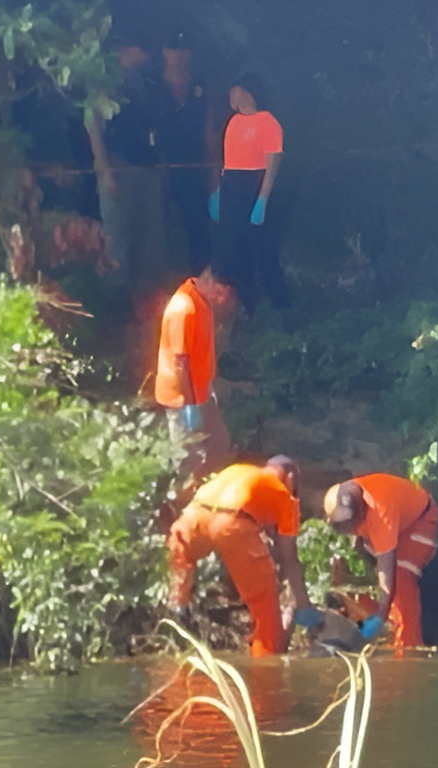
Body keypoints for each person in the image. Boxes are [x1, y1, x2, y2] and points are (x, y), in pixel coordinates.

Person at [166, 456, 318, 657]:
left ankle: (174, 631)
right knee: (265, 608)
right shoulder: (284, 495)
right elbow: (289, 557)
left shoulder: (238, 470)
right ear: (290, 478)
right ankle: (265, 668)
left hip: (190, 519)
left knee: (179, 587)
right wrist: (304, 606)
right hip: (232, 524)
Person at [322, 474, 438, 648]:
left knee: (400, 579)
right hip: (398, 524)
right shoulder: (350, 493)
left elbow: (386, 572)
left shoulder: (380, 513)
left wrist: (382, 613)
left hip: (421, 522)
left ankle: (407, 648)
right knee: (383, 582)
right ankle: (390, 626)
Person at [85, 38, 167, 291]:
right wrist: (105, 170)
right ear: (125, 50)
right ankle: (115, 303)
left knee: (150, 237)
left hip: (149, 168)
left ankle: (148, 301)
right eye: (138, 48)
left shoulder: (147, 83)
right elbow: (92, 124)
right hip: (119, 168)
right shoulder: (104, 84)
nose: (144, 54)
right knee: (117, 239)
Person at [209, 73, 289, 313]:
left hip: (254, 183)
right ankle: (243, 301)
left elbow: (273, 161)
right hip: (232, 184)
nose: (230, 97)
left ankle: (279, 302)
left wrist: (263, 198)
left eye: (233, 91)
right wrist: (219, 191)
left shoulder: (267, 122)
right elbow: (228, 159)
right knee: (231, 243)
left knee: (261, 246)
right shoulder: (233, 122)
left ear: (245, 92)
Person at [154, 270, 232, 484]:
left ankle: (211, 488)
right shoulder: (185, 308)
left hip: (201, 390)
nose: (223, 299)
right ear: (211, 283)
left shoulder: (203, 302)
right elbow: (181, 363)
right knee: (188, 456)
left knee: (219, 442)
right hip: (181, 396)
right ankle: (186, 500)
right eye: (222, 293)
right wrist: (189, 407)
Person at [153, 31, 216, 275]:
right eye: (174, 49)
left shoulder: (199, 86)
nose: (179, 55)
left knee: (198, 226)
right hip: (158, 167)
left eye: (184, 49)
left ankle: (201, 278)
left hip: (192, 168)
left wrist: (212, 172)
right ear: (164, 52)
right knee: (157, 226)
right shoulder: (153, 85)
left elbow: (208, 131)